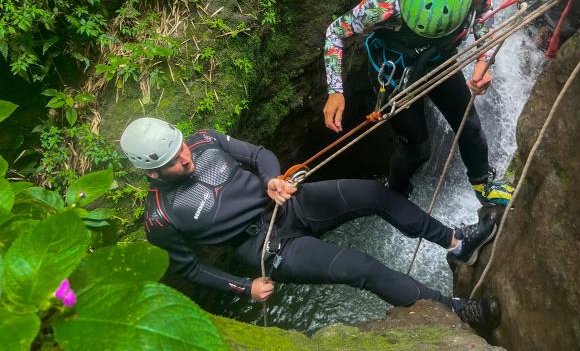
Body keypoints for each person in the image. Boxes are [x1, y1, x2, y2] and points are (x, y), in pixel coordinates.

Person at [120, 117, 501, 329]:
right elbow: (190, 269)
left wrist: (273, 178)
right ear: (149, 170)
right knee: (361, 268)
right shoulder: (161, 218)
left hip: (288, 203)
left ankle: (457, 242)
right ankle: (452, 310)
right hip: (268, 247)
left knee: (377, 195)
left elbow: (258, 153)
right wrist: (244, 287)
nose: (185, 159)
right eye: (171, 161)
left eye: (180, 148)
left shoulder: (203, 140)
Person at [323, 0, 513, 203]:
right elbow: (336, 32)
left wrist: (484, 60)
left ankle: (483, 185)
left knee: (470, 126)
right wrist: (335, 91)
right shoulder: (383, 5)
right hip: (393, 72)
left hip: (438, 59)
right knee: (418, 149)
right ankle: (396, 192)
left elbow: (484, 12)